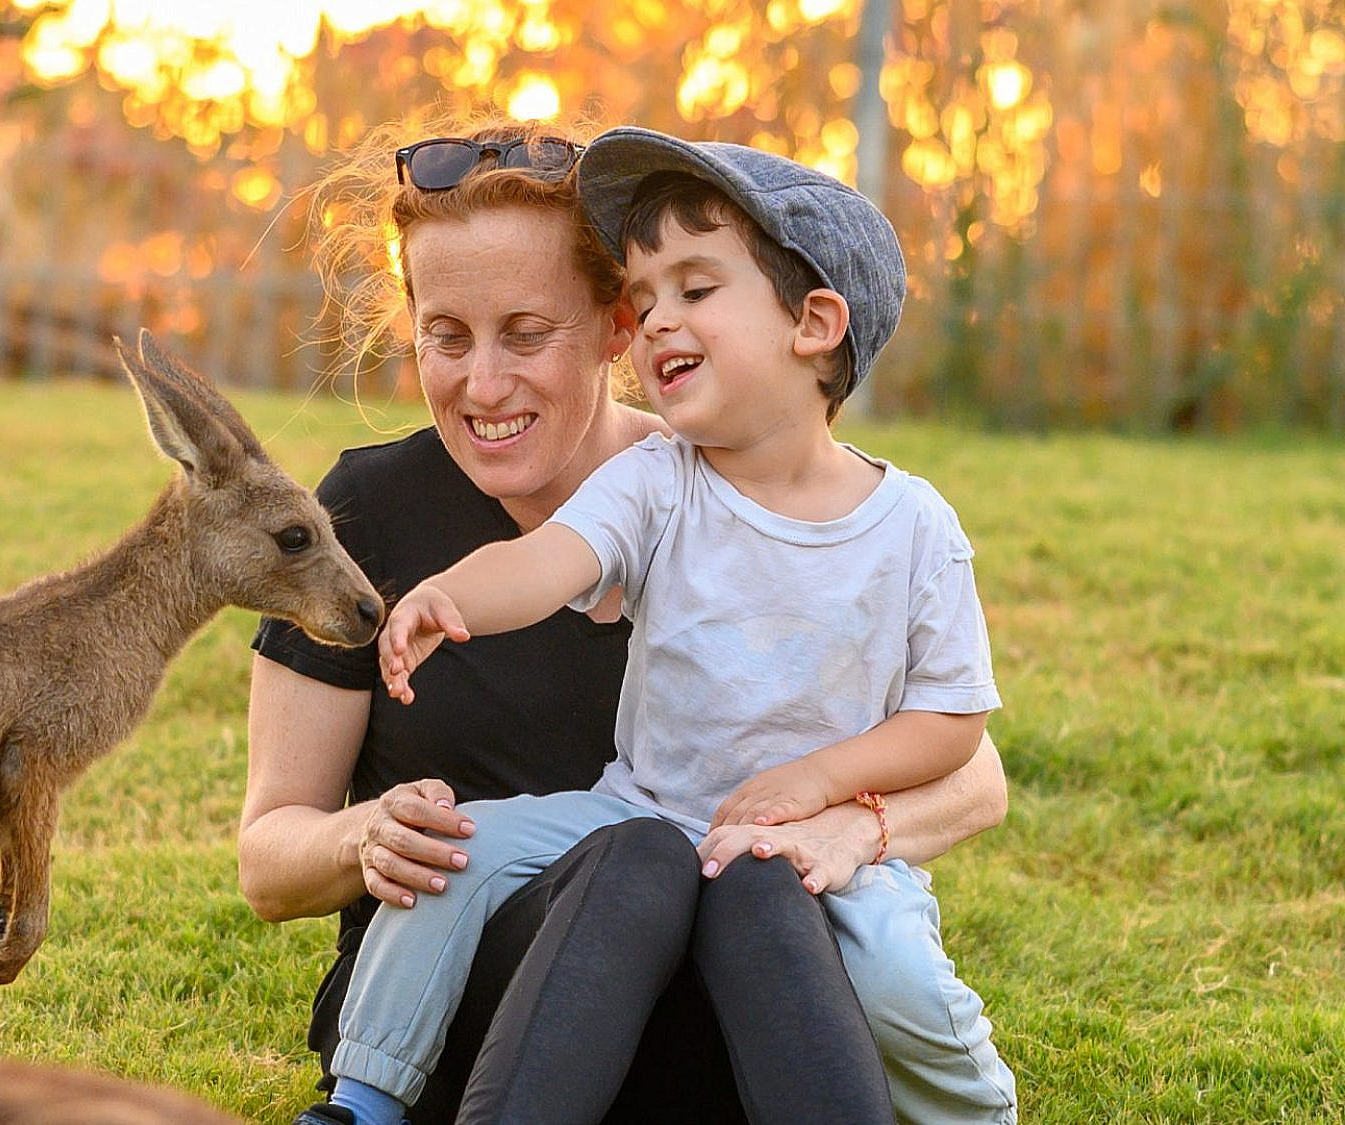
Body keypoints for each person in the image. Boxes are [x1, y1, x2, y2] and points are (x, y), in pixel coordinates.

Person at [241, 119, 1014, 1125]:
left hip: (731, 966)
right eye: (445, 336)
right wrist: (366, 833)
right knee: (639, 852)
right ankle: (361, 1103)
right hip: (484, 989)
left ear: (610, 329)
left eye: (526, 334)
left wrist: (841, 818)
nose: (483, 384)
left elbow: (970, 764)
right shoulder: (375, 511)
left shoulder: (770, 497)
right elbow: (267, 864)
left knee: (745, 887)